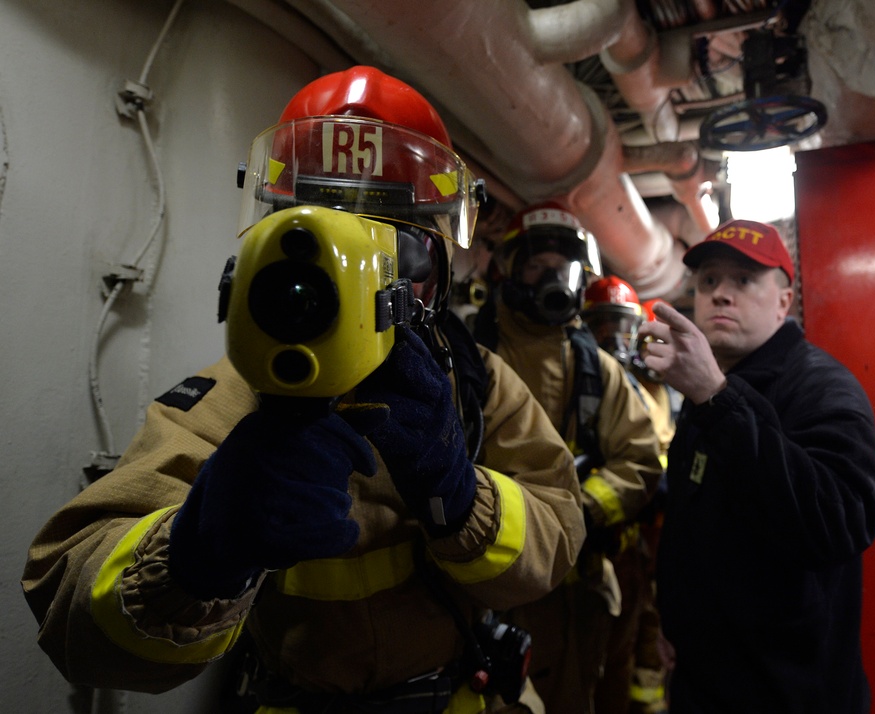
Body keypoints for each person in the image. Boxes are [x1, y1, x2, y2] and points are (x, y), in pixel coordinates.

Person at [22, 66, 586, 714]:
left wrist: (461, 499)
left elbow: (556, 539)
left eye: (397, 255)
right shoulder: (234, 399)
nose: (366, 284)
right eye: (327, 240)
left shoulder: (478, 383)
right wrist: (195, 555)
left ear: (436, 269)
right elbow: (72, 610)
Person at [636, 218, 875, 713]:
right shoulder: (710, 390)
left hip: (789, 694)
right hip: (704, 681)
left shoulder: (821, 388)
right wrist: (671, 619)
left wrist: (717, 399)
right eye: (708, 281)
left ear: (783, 302)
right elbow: (691, 517)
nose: (720, 294)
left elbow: (838, 522)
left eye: (743, 280)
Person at [474, 203, 663, 714]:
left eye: (566, 265)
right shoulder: (468, 357)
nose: (554, 277)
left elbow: (641, 460)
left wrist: (583, 510)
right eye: (538, 263)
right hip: (477, 577)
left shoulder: (597, 371)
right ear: (508, 270)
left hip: (570, 585)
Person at [581, 277, 672, 714]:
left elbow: (660, 450)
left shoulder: (654, 386)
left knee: (647, 625)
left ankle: (646, 701)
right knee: (600, 646)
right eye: (602, 324)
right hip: (602, 539)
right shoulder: (583, 382)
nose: (613, 337)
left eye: (622, 325)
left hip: (648, 534)